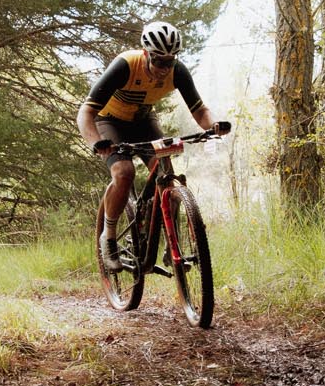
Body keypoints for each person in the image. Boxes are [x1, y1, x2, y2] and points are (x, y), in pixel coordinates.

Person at [77, 21, 227, 269]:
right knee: (124, 173)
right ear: (146, 53)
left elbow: (199, 110)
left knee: (166, 175)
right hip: (109, 121)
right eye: (158, 61)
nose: (163, 68)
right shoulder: (125, 65)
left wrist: (214, 126)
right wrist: (96, 142)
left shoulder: (177, 71)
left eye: (169, 61)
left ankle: (171, 244)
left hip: (143, 121)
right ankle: (109, 236)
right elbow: (85, 112)